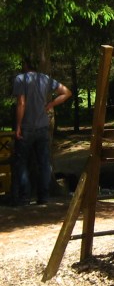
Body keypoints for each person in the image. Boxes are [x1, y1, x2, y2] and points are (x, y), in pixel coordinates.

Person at [11, 57, 72, 206]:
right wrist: (51, 104)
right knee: (44, 163)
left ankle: (25, 197)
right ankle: (43, 197)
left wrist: (18, 125)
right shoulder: (45, 79)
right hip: (43, 126)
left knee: (21, 162)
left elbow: (21, 103)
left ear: (25, 65)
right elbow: (66, 92)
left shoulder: (20, 79)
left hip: (26, 127)